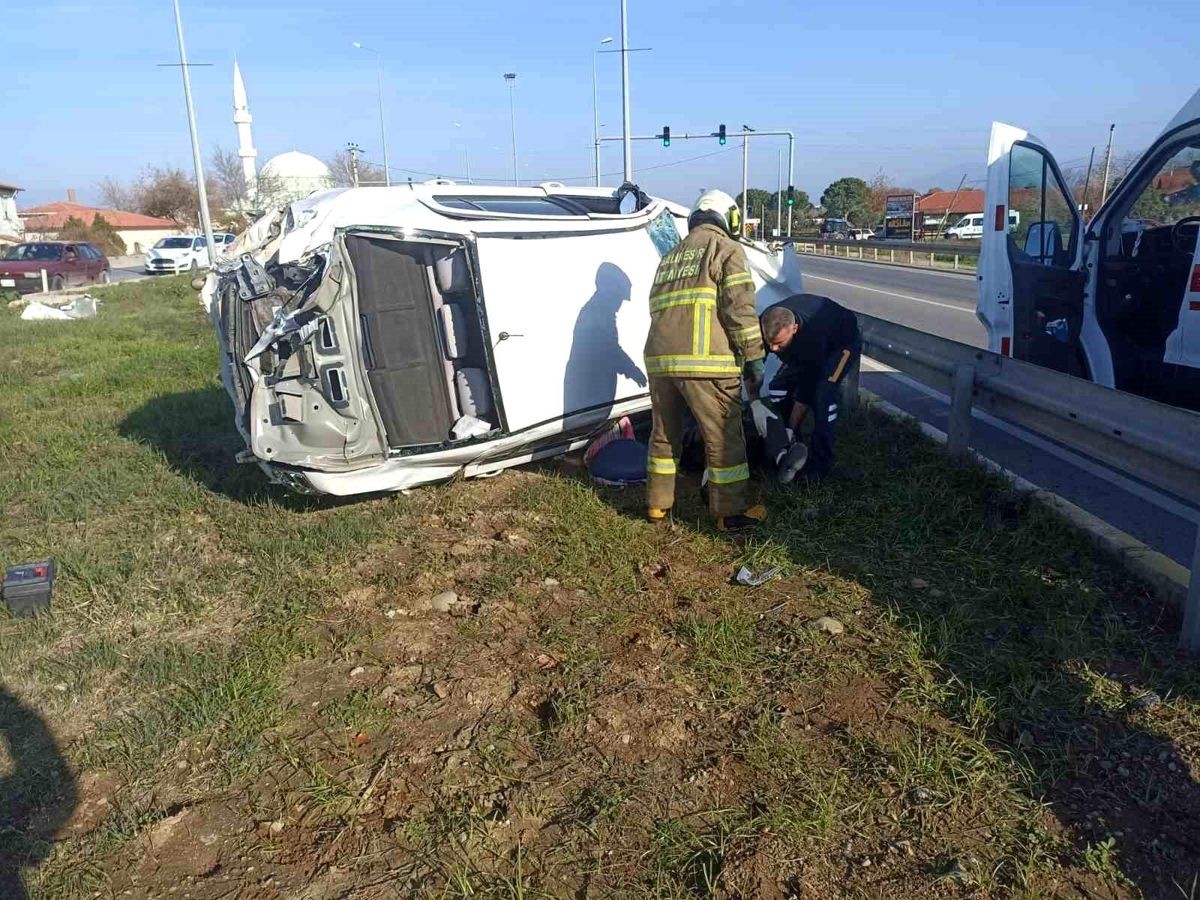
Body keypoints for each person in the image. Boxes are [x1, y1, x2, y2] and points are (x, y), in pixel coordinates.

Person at [643, 189, 768, 531]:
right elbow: (738, 309)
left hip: (660, 361)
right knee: (724, 438)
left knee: (664, 435)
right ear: (729, 218)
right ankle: (729, 512)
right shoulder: (726, 248)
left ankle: (657, 506)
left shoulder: (670, 257)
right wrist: (754, 356)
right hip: (706, 364)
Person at [757, 293, 862, 481]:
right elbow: (755, 364)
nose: (773, 349)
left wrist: (791, 425)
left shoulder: (813, 335)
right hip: (807, 348)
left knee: (824, 396)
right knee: (777, 389)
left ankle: (820, 465)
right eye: (769, 343)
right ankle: (790, 443)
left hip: (841, 343)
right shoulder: (766, 322)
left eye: (779, 344)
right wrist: (754, 402)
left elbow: (807, 385)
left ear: (794, 328)